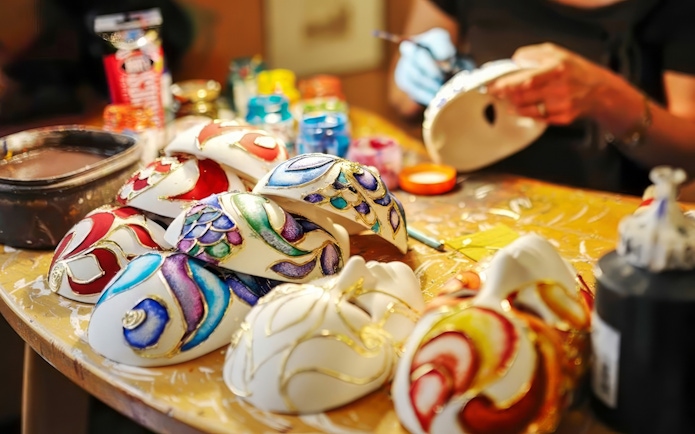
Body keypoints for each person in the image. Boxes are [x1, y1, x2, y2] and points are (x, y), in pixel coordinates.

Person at [389, 0, 695, 196]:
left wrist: (607, 97)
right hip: (476, 197)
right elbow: (400, 99)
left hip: (608, 217)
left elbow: (688, 153)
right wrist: (417, 71)